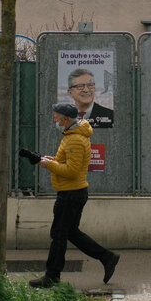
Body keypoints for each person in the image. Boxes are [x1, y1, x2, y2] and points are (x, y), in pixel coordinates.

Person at [29, 102, 119, 288]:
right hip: (71, 192)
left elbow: (71, 171)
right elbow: (69, 163)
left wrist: (49, 165)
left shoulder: (76, 139)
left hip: (71, 194)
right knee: (70, 233)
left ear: (65, 118)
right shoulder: (71, 135)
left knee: (59, 234)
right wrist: (51, 160)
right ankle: (107, 257)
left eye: (56, 115)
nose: (54, 118)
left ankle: (52, 277)